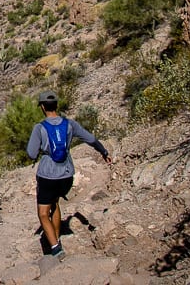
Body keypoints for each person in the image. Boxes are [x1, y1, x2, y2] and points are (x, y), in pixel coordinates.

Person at [27, 90, 112, 260]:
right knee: (55, 202)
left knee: (43, 213)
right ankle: (56, 237)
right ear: (56, 106)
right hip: (66, 174)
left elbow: (31, 153)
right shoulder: (70, 124)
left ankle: (56, 248)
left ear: (43, 107)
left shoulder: (40, 128)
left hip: (48, 175)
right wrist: (104, 151)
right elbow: (91, 138)